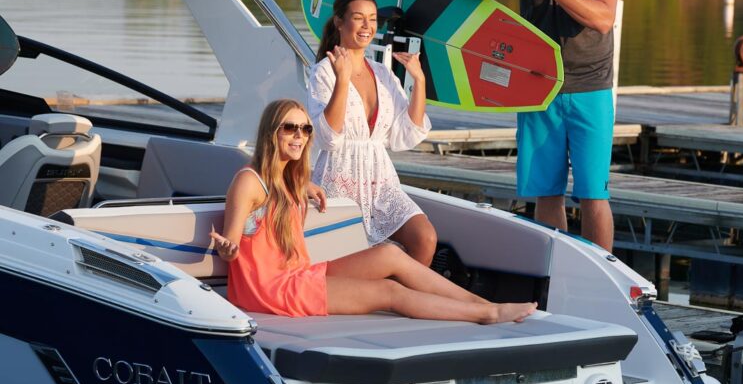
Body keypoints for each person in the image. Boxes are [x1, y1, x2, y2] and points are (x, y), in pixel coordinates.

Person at [210, 98, 537, 323]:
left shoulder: (289, 179)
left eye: (306, 129)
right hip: (273, 290)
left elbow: (280, 196)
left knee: (390, 255)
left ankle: (485, 304)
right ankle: (488, 314)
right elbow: (232, 243)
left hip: (300, 273)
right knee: (389, 292)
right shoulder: (249, 182)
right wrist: (227, 247)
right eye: (290, 128)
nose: (300, 136)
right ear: (271, 132)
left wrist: (305, 186)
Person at [450, 0, 618, 252]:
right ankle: (554, 272)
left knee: (594, 193)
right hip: (539, 87)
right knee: (546, 192)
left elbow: (604, 19)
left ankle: (606, 275)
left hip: (591, 87)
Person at [307, 0, 438, 266]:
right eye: (358, 18)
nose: (367, 26)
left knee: (424, 238)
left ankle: (408, 293)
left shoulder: (382, 73)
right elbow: (327, 138)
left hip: (381, 181)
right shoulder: (324, 71)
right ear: (339, 22)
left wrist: (419, 81)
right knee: (354, 256)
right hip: (338, 179)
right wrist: (342, 80)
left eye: (372, 19)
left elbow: (405, 135)